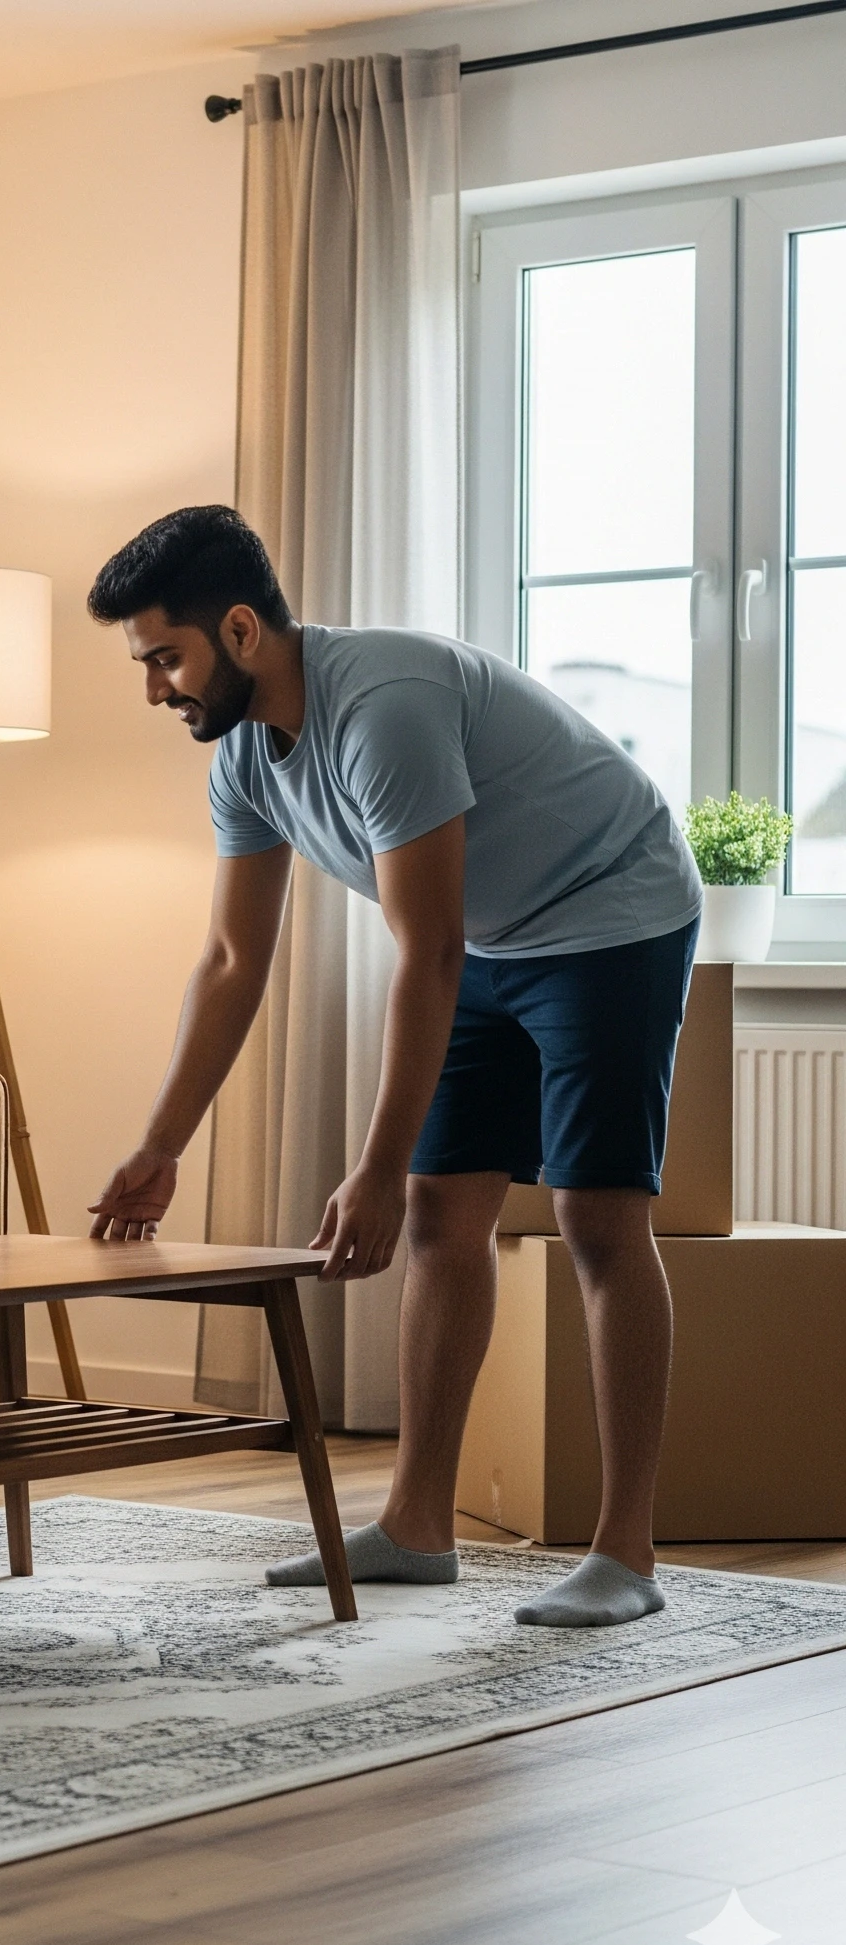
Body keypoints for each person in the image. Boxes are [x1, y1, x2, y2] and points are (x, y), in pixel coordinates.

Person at [85, 506, 702, 1629]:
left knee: (597, 1221)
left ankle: (626, 1552)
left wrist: (367, 1163)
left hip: (612, 909)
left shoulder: (381, 708)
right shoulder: (244, 761)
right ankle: (417, 1524)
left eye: (162, 658)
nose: (153, 688)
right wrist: (159, 1144)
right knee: (435, 1214)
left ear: (236, 629)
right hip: (491, 936)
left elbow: (425, 950)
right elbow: (231, 960)